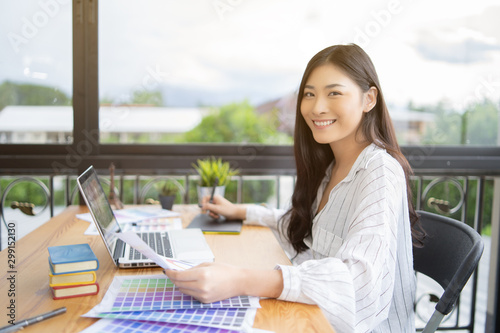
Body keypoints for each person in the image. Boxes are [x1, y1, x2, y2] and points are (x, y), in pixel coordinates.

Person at [164, 44, 425, 332]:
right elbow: (308, 229)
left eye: (334, 93)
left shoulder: (380, 171)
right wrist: (241, 211)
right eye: (309, 94)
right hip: (313, 316)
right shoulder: (332, 167)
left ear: (369, 99)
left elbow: (357, 283)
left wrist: (240, 279)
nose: (316, 107)